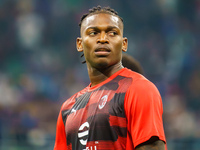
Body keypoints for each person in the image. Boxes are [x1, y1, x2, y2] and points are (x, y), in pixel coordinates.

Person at [54, 6, 167, 150]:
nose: (102, 39)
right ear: (80, 44)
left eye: (112, 33)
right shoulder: (68, 108)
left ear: (124, 43)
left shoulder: (139, 89)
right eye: (93, 33)